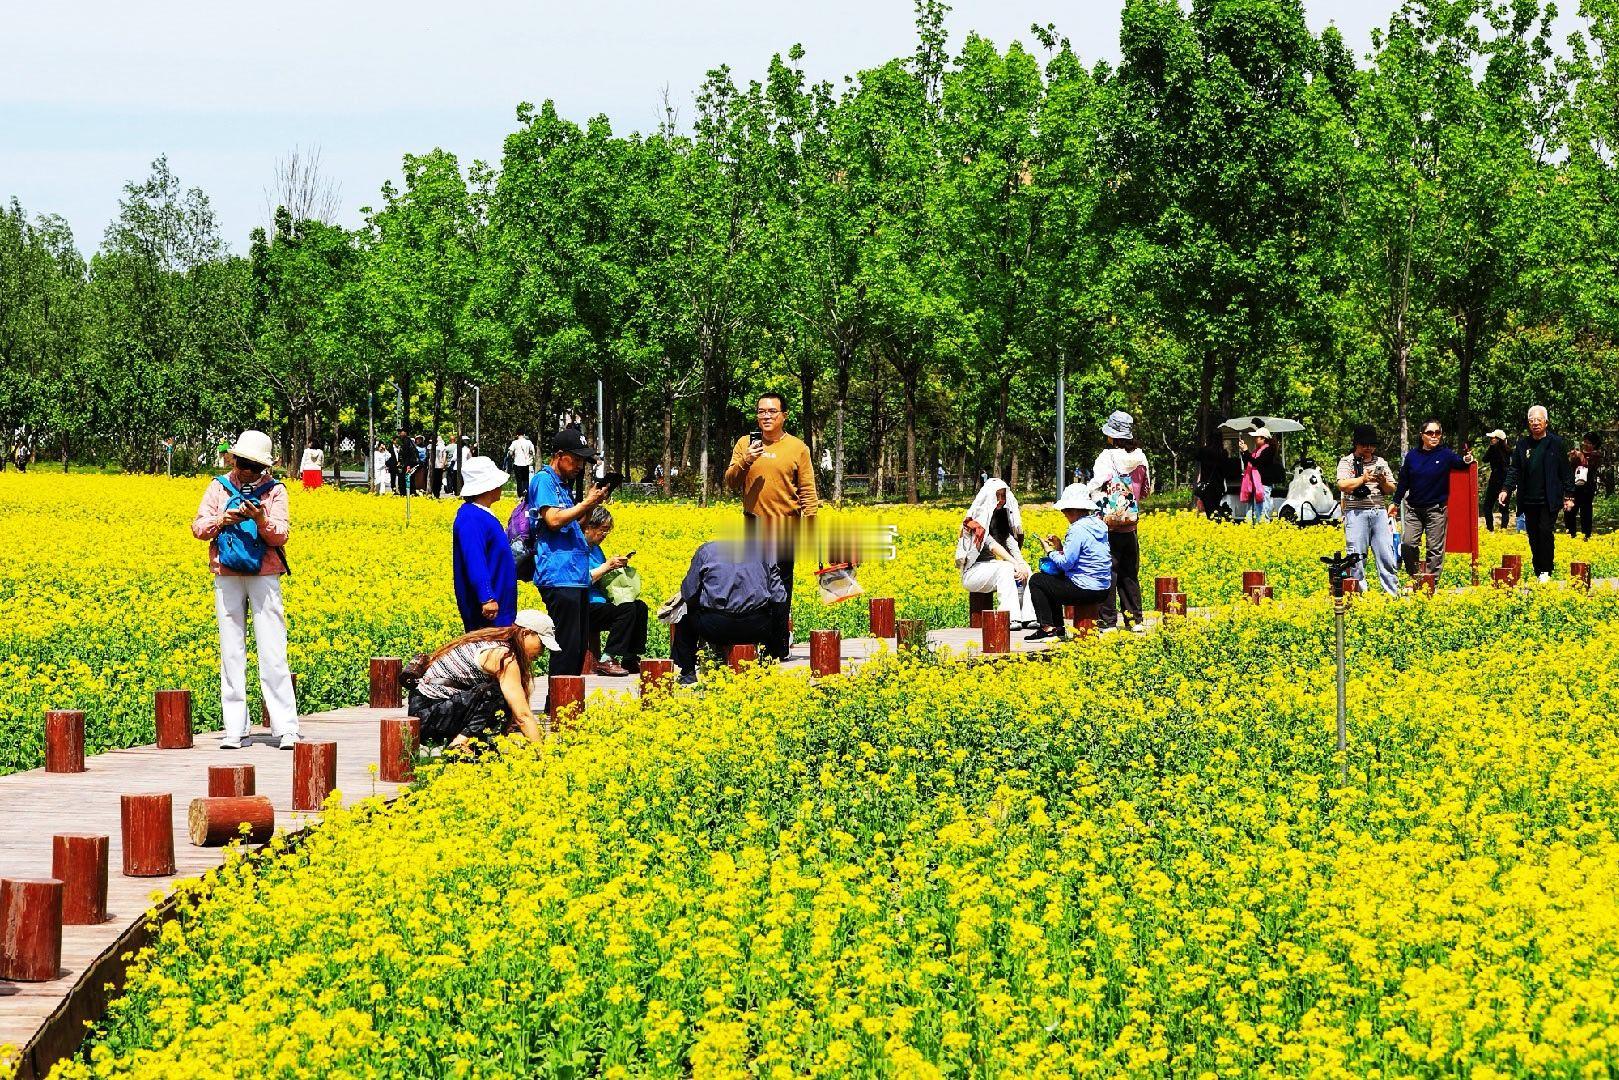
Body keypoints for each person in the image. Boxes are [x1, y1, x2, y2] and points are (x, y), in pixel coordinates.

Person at [190, 430, 299, 751]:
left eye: (256, 466)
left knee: (273, 650)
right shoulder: (218, 486)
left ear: (265, 467)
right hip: (226, 571)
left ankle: (286, 728)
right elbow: (198, 528)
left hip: (265, 572)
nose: (248, 471)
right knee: (231, 651)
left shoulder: (275, 490)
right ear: (234, 459)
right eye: (243, 463)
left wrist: (261, 519)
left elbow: (281, 535)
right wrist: (223, 518)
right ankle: (235, 729)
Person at [723, 392, 818, 660]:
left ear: (784, 415)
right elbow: (730, 481)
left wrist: (812, 523)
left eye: (772, 411)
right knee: (753, 586)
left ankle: (778, 646)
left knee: (781, 588)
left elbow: (807, 489)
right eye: (761, 411)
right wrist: (747, 460)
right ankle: (755, 642)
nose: (766, 416)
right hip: (753, 524)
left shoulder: (798, 448)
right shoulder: (745, 444)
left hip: (787, 525)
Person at [407, 612, 558, 748]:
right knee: (496, 693)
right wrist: (541, 755)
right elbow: (523, 716)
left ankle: (469, 744)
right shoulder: (503, 656)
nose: (542, 652)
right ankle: (460, 743)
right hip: (429, 718)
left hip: (424, 711)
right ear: (526, 633)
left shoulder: (494, 640)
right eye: (542, 644)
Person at [528, 428, 611, 676]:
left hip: (576, 577)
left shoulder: (563, 487)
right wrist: (586, 502)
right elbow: (553, 520)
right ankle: (558, 697)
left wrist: (592, 504)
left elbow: (577, 526)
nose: (579, 466)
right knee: (566, 645)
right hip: (558, 575)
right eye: (575, 459)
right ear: (559, 455)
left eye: (583, 461)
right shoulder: (544, 480)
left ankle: (568, 695)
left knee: (577, 646)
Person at [671, 539, 786, 683]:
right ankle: (769, 664)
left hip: (716, 627)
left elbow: (689, 593)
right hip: (756, 627)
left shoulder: (706, 551)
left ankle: (687, 672)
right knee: (777, 614)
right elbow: (779, 597)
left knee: (684, 616)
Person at [1089, 410, 1151, 632]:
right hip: (1130, 525)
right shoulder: (1141, 457)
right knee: (1129, 574)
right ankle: (1135, 621)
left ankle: (1108, 623)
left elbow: (1095, 487)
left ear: (1112, 435)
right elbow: (1146, 491)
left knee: (1107, 572)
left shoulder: (1106, 457)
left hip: (1108, 525)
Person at [1026, 485, 1111, 641]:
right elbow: (1081, 557)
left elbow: (1066, 564)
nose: (1064, 514)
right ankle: (1057, 628)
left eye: (1065, 511)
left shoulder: (1077, 529)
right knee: (1052, 581)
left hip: (1085, 589)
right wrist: (1059, 547)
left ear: (1073, 510)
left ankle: (1048, 628)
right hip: (1103, 589)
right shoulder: (1099, 525)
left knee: (1037, 580)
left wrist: (1050, 551)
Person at [1502, 406, 1576, 581]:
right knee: (1533, 535)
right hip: (1528, 499)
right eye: (1531, 420)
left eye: (1538, 420)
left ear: (1546, 422)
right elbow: (1514, 469)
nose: (1535, 423)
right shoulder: (1522, 444)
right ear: (1528, 424)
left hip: (1549, 498)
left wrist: (1569, 496)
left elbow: (1565, 470)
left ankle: (1546, 570)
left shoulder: (1556, 443)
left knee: (1545, 532)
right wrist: (1506, 489)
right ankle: (1538, 570)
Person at [1392, 419, 1474, 577]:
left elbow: (1461, 463)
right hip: (1413, 510)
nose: (1434, 436)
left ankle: (1431, 583)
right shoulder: (1412, 456)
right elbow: (1403, 481)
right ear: (1422, 435)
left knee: (1434, 549)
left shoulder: (1445, 454)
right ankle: (1415, 577)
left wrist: (1467, 459)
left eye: (1437, 433)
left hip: (1436, 510)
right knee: (1408, 544)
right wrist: (1395, 502)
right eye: (1430, 433)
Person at [955, 479, 1037, 630]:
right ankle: (1009, 618)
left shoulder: (1000, 518)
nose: (1000, 500)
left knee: (1026, 568)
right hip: (972, 573)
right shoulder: (975, 521)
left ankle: (1029, 616)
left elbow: (1010, 542)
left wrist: (1021, 564)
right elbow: (992, 546)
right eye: (997, 496)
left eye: (1003, 496)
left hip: (990, 570)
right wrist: (1015, 564)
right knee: (1007, 569)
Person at [452, 456, 518, 632]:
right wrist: (486, 597)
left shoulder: (482, 514)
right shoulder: (471, 518)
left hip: (499, 606)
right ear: (488, 487)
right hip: (488, 614)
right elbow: (474, 559)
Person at [582, 506, 648, 676]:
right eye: (602, 529)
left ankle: (630, 657)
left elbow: (602, 577)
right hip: (584, 604)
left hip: (601, 602)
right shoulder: (578, 548)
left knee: (640, 606)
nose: (604, 534)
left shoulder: (596, 549)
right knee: (627, 609)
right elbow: (580, 580)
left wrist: (616, 567)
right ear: (589, 526)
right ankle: (607, 658)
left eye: (607, 530)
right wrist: (607, 566)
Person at [1336, 425, 1400, 595]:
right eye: (1364, 444)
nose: (1368, 448)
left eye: (1372, 445)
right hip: (1355, 513)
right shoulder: (1346, 461)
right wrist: (1362, 479)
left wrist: (1382, 481)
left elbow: (1391, 488)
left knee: (1386, 554)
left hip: (1379, 512)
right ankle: (1358, 595)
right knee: (1356, 558)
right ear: (1356, 444)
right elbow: (1342, 484)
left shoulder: (1380, 462)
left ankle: (1392, 593)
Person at [1567, 432, 1603, 541]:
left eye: (1588, 443)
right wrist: (1572, 457)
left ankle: (1586, 535)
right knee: (1570, 510)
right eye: (1584, 442)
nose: (1585, 444)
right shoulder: (1579, 454)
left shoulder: (1596, 455)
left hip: (1587, 488)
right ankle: (1571, 534)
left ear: (1594, 444)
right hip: (1574, 487)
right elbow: (1571, 467)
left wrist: (1581, 456)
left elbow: (1590, 467)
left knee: (1585, 511)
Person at [1237, 427, 1277, 523]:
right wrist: (1243, 451)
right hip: (1253, 485)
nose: (1254, 439)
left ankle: (1263, 530)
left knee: (1262, 513)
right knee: (1250, 513)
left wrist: (1246, 451)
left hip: (1263, 485)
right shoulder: (1256, 451)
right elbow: (1248, 463)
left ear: (1263, 438)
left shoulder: (1268, 450)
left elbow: (1257, 463)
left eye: (1257, 437)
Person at [1481, 428, 1511, 532]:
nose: (1491, 440)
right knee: (1504, 508)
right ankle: (1503, 529)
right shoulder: (1508, 450)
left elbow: (1484, 459)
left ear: (1498, 439)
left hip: (1495, 481)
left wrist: (1490, 447)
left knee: (1487, 506)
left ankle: (1490, 529)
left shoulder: (1493, 449)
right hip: (1506, 481)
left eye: (1492, 438)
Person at [1193, 439, 1229, 517]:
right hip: (1218, 486)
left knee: (1208, 509)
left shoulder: (1203, 452)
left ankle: (1210, 519)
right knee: (1216, 508)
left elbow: (1196, 457)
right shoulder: (1222, 453)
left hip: (1206, 485)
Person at [508, 430, 536, 497]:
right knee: (526, 480)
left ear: (517, 435)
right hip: (526, 464)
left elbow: (510, 452)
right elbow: (533, 452)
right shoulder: (529, 442)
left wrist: (512, 455)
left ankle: (520, 495)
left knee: (519, 481)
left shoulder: (515, 442)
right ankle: (526, 493)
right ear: (524, 434)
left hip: (517, 463)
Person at [394, 430, 418, 496]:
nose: (399, 434)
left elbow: (407, 454)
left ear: (405, 433)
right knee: (406, 478)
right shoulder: (404, 441)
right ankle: (407, 492)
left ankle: (406, 492)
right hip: (405, 464)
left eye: (401, 432)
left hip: (407, 464)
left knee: (406, 478)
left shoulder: (407, 441)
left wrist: (406, 464)